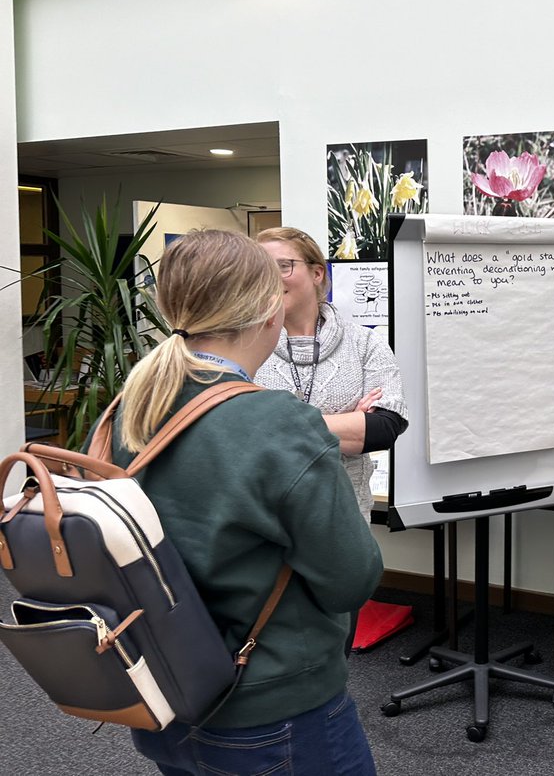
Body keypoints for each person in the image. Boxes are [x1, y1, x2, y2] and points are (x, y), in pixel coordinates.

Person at [102, 229, 382, 775]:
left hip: (162, 694)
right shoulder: (275, 424)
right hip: (271, 710)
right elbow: (352, 580)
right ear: (267, 312)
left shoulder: (128, 408)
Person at [255, 226, 408, 521]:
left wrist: (275, 427)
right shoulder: (244, 344)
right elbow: (238, 433)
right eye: (260, 269)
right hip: (268, 520)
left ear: (317, 273)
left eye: (283, 266)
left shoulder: (364, 343)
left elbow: (384, 428)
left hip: (344, 516)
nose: (270, 279)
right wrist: (349, 422)